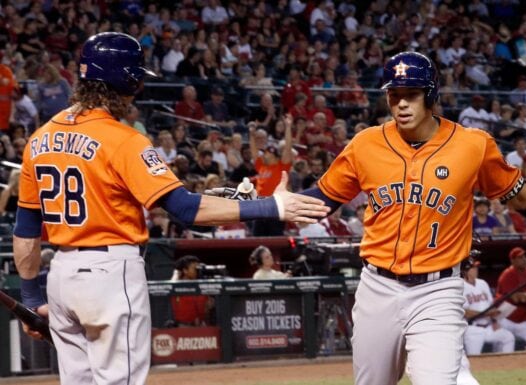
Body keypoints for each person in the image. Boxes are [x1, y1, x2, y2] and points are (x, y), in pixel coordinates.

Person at [13, 32, 329, 385]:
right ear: (127, 81)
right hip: (108, 275)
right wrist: (272, 206)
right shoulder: (124, 139)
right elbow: (185, 210)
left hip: (60, 277)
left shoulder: (38, 139)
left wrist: (28, 298)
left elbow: (25, 233)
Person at [297, 51, 526, 385]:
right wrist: (263, 204)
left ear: (431, 95)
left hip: (437, 289)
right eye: (394, 96)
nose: (401, 104)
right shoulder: (366, 144)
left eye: (411, 94)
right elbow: (320, 200)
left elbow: (517, 193)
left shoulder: (472, 145)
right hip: (377, 286)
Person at [462, 258, 516, 355]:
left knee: (508, 337)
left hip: (488, 327)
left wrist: (495, 319)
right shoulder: (460, 286)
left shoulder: (482, 283)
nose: (476, 270)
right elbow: (465, 312)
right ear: (465, 271)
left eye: (476, 267)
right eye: (473, 268)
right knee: (475, 358)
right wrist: (487, 313)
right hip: (472, 329)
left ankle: (505, 366)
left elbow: (490, 305)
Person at [495, 247, 526, 347]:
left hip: (522, 321)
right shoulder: (508, 274)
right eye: (520, 257)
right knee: (503, 342)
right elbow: (518, 298)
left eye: (524, 256)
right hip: (506, 318)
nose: (524, 259)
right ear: (512, 261)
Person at [169, 255, 214, 327]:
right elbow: (170, 287)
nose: (197, 271)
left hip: (201, 326)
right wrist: (176, 274)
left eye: (198, 268)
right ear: (185, 270)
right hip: (183, 327)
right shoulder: (178, 285)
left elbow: (207, 308)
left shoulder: (201, 285)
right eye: (195, 269)